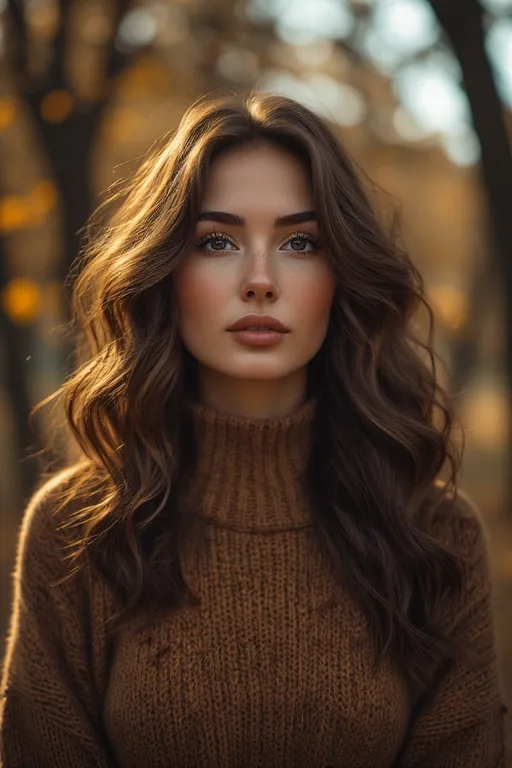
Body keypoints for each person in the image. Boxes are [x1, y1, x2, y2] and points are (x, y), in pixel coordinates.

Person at [0, 91, 508, 767]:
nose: (261, 280)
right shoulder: (79, 528)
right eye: (217, 241)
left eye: (300, 241)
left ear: (342, 273)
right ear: (166, 271)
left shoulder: (431, 535)